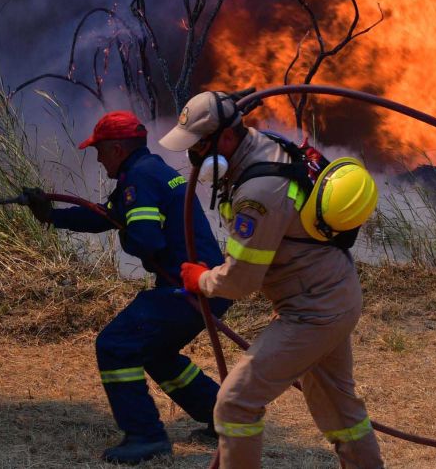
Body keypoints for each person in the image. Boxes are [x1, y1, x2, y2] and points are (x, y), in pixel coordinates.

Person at [158, 91, 384, 468]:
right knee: (339, 409)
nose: (193, 157)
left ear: (226, 139)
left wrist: (203, 280)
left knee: (234, 403)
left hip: (315, 310)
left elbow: (242, 280)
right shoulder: (260, 149)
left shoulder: (259, 193)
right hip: (331, 296)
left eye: (198, 147)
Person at [23, 110, 231, 465]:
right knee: (157, 353)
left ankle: (146, 436)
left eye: (99, 150)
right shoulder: (152, 172)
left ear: (117, 148)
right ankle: (223, 418)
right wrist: (51, 215)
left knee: (116, 345)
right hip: (204, 285)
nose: (98, 157)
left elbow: (145, 240)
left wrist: (126, 234)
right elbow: (104, 214)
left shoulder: (139, 180)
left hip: (186, 288)